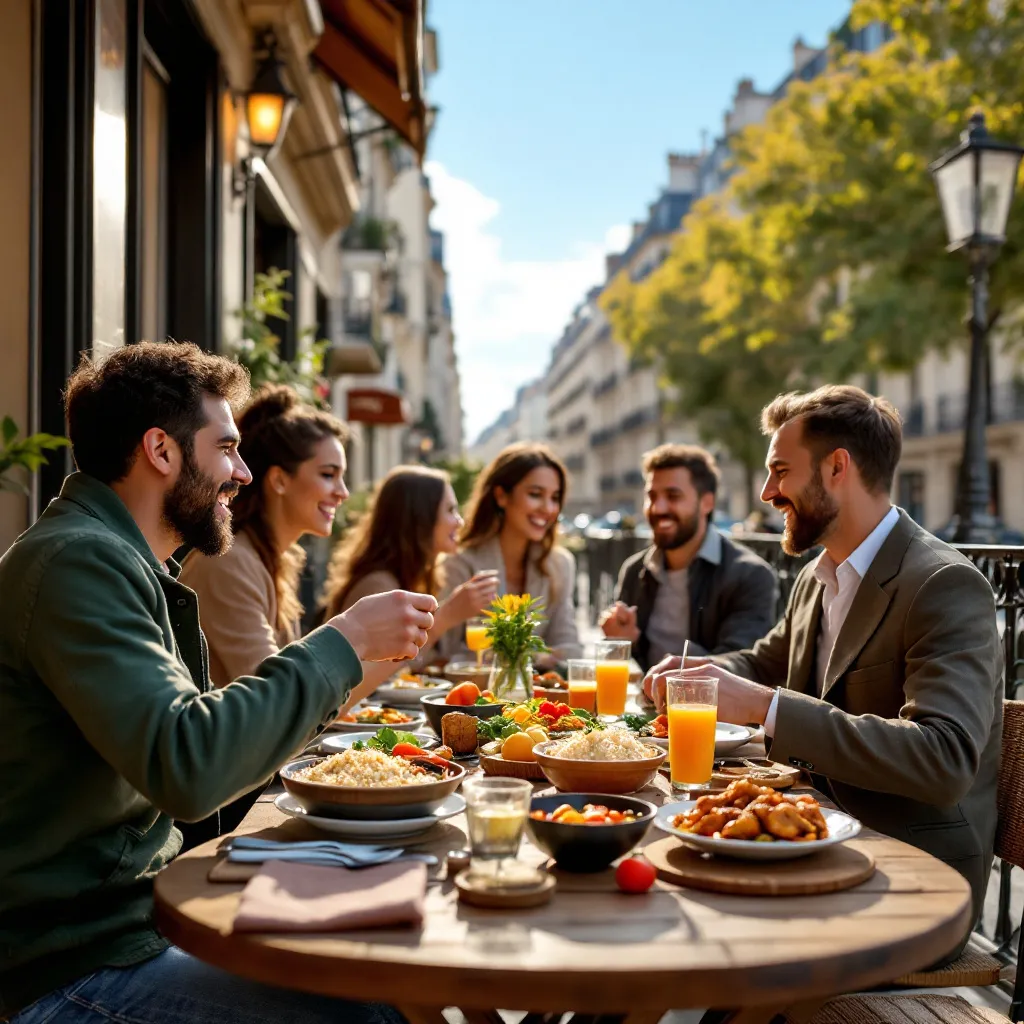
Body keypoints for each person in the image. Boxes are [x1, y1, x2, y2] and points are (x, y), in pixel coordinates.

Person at [0, 342, 436, 1023]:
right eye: (226, 447)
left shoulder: (117, 560)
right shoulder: (76, 563)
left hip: (134, 924)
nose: (241, 471)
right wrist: (345, 641)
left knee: (382, 955)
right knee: (368, 1010)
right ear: (161, 452)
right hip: (70, 968)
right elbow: (190, 764)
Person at [644, 385, 1002, 949]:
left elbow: (945, 758)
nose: (767, 492)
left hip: (913, 880)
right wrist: (692, 670)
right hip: (816, 843)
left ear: (838, 467)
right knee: (664, 898)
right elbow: (767, 661)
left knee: (688, 926)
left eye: (780, 472)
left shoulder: (943, 584)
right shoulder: (820, 575)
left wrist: (765, 705)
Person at [180, 385, 350, 686]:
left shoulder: (272, 558)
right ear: (279, 480)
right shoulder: (230, 563)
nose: (343, 493)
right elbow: (281, 697)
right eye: (328, 474)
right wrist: (360, 636)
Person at [600, 444, 777, 673]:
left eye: (673, 496)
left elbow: (741, 667)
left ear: (707, 502)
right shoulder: (635, 570)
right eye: (652, 496)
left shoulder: (751, 575)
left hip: (709, 708)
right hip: (647, 706)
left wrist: (678, 668)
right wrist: (622, 642)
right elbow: (626, 670)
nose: (658, 507)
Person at [321, 465, 498, 668]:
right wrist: (446, 616)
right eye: (450, 510)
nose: (460, 521)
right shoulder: (379, 585)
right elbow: (375, 674)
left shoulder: (419, 578)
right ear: (421, 518)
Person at [440, 443, 582, 666]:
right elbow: (445, 654)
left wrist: (516, 655)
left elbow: (570, 649)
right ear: (501, 496)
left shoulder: (560, 564)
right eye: (535, 494)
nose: (548, 508)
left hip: (537, 698)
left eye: (555, 497)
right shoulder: (460, 563)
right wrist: (538, 655)